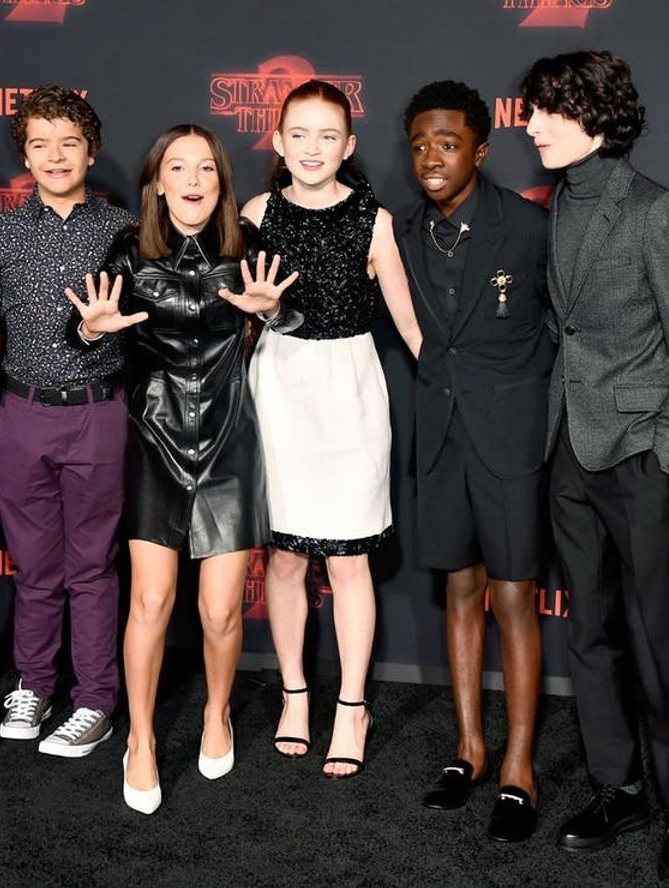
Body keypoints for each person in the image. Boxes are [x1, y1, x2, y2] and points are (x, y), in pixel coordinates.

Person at [522, 51, 669, 883]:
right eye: (530, 109)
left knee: (653, 633)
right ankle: (619, 787)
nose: (530, 124)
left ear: (597, 118)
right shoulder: (552, 208)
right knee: (590, 631)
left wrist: (667, 453)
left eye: (548, 111)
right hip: (566, 449)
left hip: (637, 453)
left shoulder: (657, 212)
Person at [66, 124, 301, 813]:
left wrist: (275, 310)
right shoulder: (129, 251)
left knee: (221, 610)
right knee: (150, 602)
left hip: (230, 442)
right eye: (178, 167)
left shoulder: (246, 245)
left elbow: (296, 313)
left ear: (221, 182)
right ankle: (140, 740)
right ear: (157, 182)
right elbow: (82, 330)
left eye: (205, 168)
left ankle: (216, 712)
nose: (193, 180)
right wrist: (90, 329)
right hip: (155, 438)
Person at [242, 80, 423, 779]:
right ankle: (294, 694)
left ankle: (352, 707)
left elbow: (409, 325)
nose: (312, 148)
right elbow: (233, 318)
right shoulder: (256, 213)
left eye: (327, 136)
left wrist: (468, 394)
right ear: (278, 141)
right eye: (299, 134)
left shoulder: (374, 220)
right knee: (284, 558)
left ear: (348, 146)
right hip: (278, 387)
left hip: (349, 392)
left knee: (349, 563)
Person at [398, 80, 553, 842]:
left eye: (448, 143)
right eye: (420, 144)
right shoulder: (399, 234)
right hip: (440, 436)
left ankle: (520, 766)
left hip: (510, 439)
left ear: (481, 150)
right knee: (460, 591)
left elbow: (561, 329)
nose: (432, 156)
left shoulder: (528, 226)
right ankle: (470, 749)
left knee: (514, 597)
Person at [0, 86, 135, 757]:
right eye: (40, 144)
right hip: (20, 414)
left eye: (69, 142)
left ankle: (95, 698)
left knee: (92, 568)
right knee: (35, 568)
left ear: (90, 151)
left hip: (98, 413)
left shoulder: (123, 230)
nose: (55, 156)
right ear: (24, 155)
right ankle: (35, 683)